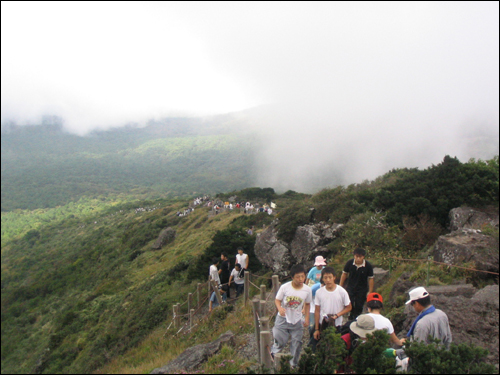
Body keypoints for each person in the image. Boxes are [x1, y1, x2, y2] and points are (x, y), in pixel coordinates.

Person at [271, 264, 313, 368]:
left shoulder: (307, 290)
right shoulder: (285, 287)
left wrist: (307, 318)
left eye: (302, 276)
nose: (301, 279)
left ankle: (293, 364)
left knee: (297, 342)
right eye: (298, 277)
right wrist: (280, 308)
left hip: (297, 319)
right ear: (292, 277)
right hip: (283, 318)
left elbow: (307, 304)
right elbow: (277, 300)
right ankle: (273, 357)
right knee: (280, 340)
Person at [311, 266, 352, 350]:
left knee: (334, 348)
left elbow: (349, 307)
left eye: (330, 277)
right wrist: (316, 329)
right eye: (325, 278)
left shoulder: (342, 291)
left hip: (337, 324)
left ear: (334, 277)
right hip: (323, 324)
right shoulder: (319, 292)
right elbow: (317, 310)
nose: (328, 280)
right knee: (319, 347)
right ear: (322, 279)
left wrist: (337, 315)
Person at [339, 248, 374, 320]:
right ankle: (351, 316)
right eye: (356, 256)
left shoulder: (368, 266)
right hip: (350, 287)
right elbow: (344, 274)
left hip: (362, 288)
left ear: (363, 257)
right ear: (354, 256)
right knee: (349, 302)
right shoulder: (349, 263)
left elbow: (371, 278)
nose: (358, 258)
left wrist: (370, 291)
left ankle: (357, 317)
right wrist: (340, 286)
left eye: (360, 257)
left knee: (359, 304)